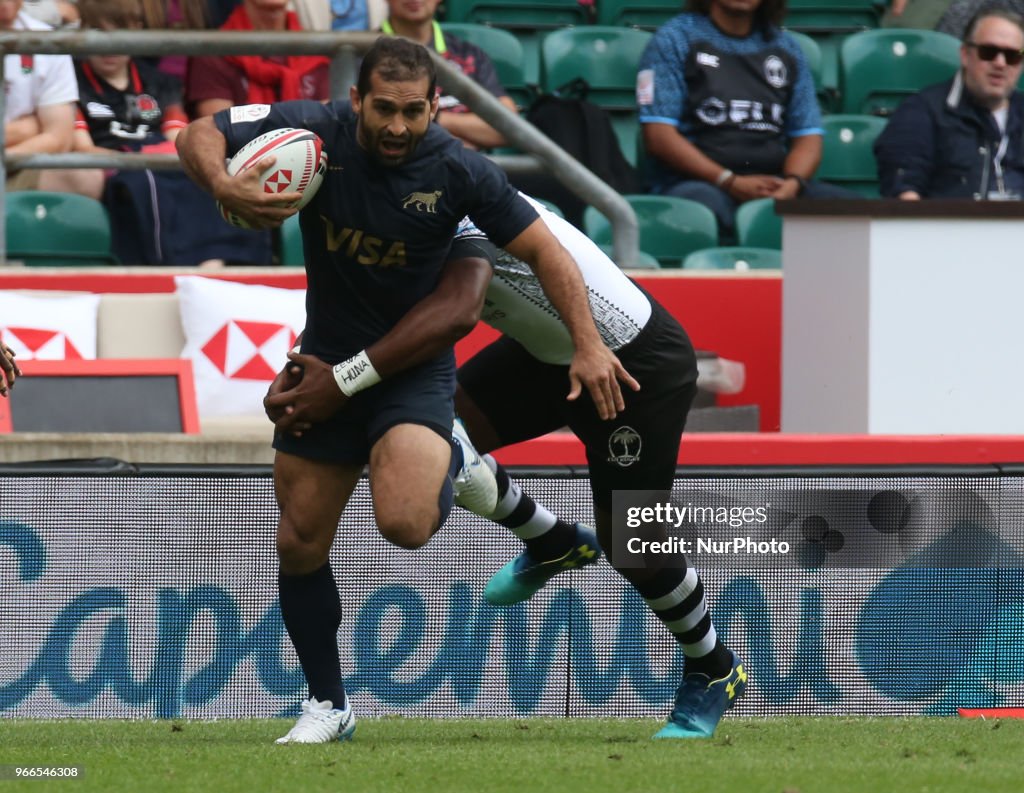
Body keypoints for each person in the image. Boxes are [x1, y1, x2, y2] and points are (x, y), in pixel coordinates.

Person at [175, 36, 633, 744]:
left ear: (435, 106)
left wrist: (588, 342)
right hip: (321, 358)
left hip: (410, 376)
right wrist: (225, 185)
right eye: (382, 109)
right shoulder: (314, 129)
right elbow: (200, 132)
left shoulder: (460, 171)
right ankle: (328, 704)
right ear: (355, 99)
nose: (396, 126)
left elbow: (545, 250)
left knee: (407, 524)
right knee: (298, 542)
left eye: (412, 112)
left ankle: (457, 454)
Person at [268, 193, 748, 739]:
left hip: (634, 365)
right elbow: (365, 306)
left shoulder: (452, 197)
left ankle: (714, 668)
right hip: (545, 357)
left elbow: (451, 310)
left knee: (633, 547)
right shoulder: (394, 199)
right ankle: (550, 539)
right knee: (436, 432)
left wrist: (336, 382)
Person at [73, 0, 272, 266]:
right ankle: (169, 266)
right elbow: (82, 149)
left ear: (137, 32)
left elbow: (178, 137)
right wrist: (136, 157)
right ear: (81, 32)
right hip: (119, 167)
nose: (109, 46)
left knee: (211, 169)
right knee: (144, 181)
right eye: (98, 32)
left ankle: (229, 261)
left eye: (119, 33)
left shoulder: (160, 81)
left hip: (158, 158)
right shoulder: (73, 82)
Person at [637, 0, 855, 239]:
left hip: (772, 183)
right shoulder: (675, 38)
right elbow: (659, 135)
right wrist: (729, 181)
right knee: (705, 209)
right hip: (698, 182)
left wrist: (793, 183)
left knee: (849, 208)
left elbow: (808, 135)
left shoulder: (786, 47)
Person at [874, 9, 1024, 200]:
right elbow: (904, 188)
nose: (1000, 63)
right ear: (965, 55)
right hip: (945, 227)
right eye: (989, 52)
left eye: (1013, 56)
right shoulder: (921, 110)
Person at [381, 0, 519, 150]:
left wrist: (437, 120)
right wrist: (461, 141)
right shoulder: (362, 54)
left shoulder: (469, 55)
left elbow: (509, 127)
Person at [1, 0, 102, 197]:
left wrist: (5, 159)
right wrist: (25, 129)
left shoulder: (47, 39)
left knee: (86, 178)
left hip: (18, 163)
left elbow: (59, 138)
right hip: (20, 149)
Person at [185, 0, 331, 119]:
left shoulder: (314, 54)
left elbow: (326, 130)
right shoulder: (214, 55)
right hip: (242, 153)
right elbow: (218, 134)